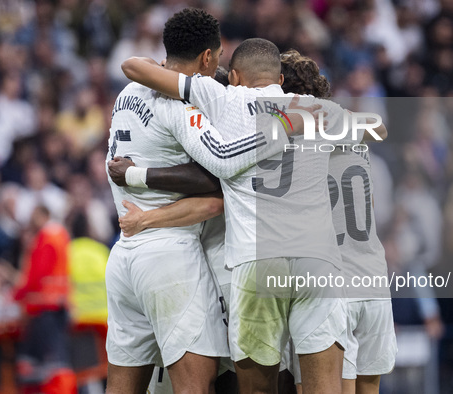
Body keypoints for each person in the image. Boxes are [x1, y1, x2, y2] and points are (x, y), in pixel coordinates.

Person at [120, 38, 384, 394]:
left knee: (259, 388)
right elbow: (377, 128)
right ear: (279, 76)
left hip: (257, 261)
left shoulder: (222, 97)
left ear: (238, 76)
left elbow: (134, 68)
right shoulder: (314, 109)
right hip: (318, 260)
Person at [105, 9, 297, 394]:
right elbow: (220, 168)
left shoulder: (128, 92)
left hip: (124, 258)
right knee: (197, 387)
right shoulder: (181, 105)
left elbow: (134, 66)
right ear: (208, 57)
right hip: (169, 258)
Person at [278, 49, 396, 394]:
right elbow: (381, 129)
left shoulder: (292, 137)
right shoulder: (352, 128)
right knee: (369, 387)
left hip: (334, 284)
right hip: (373, 276)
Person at [13, 205, 76, 394]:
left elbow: (36, 273)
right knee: (58, 361)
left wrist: (17, 295)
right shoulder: (62, 236)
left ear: (43, 215)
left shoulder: (44, 237)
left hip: (43, 306)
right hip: (59, 305)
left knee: (45, 366)